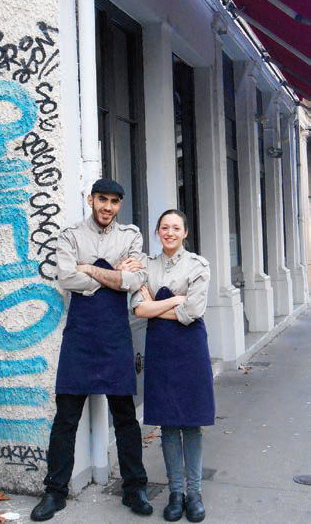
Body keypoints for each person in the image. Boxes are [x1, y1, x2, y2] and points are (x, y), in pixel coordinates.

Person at [31, 178, 153, 521]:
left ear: (119, 205)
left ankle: (135, 488)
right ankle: (54, 492)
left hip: (115, 336)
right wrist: (112, 274)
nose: (108, 207)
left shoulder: (130, 236)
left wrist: (92, 269)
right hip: (80, 336)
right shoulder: (70, 235)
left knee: (126, 417)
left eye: (114, 201)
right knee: (66, 416)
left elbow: (134, 281)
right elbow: (68, 279)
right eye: (102, 199)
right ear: (91, 199)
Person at [131, 209, 215, 523]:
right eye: (164, 227)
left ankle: (194, 493)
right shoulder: (146, 265)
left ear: (185, 233)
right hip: (161, 348)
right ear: (157, 232)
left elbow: (193, 311)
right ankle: (175, 493)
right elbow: (139, 309)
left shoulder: (198, 265)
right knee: (167, 423)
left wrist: (156, 305)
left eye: (175, 227)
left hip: (190, 346)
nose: (169, 232)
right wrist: (173, 301)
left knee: (191, 423)